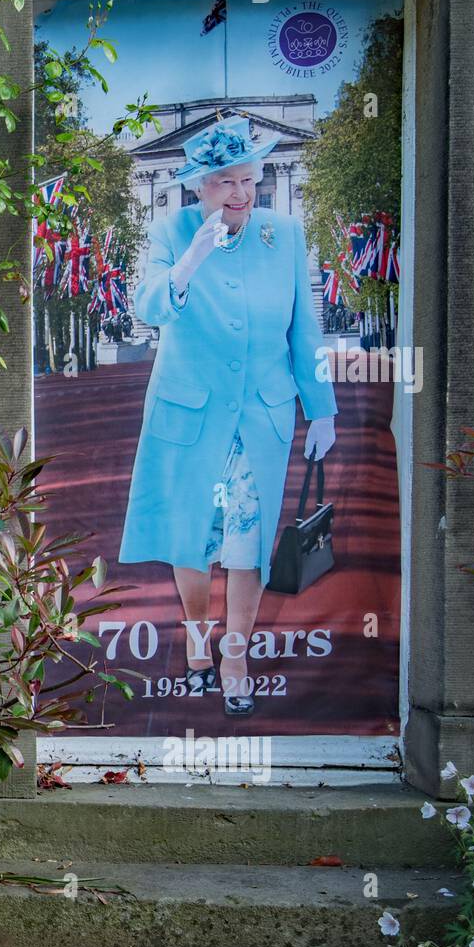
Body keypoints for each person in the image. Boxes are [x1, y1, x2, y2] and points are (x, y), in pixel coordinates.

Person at [118, 117, 338, 716]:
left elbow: (304, 327)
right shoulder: (169, 231)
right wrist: (190, 259)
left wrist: (321, 410)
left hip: (262, 417)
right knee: (193, 538)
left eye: (250, 180)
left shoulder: (285, 234)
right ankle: (195, 644)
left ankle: (234, 656)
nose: (242, 194)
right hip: (190, 413)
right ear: (199, 187)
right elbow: (147, 304)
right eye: (227, 184)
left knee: (250, 543)